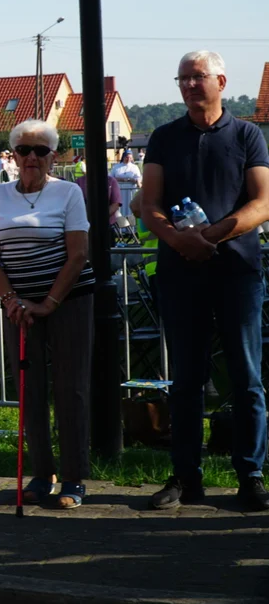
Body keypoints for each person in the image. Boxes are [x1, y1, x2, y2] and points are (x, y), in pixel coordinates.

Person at [141, 51, 269, 512]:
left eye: (198, 78)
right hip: (180, 272)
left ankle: (250, 474)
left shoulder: (247, 134)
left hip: (236, 270)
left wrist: (210, 235)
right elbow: (148, 203)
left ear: (221, 80)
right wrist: (179, 240)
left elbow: (262, 203)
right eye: (183, 79)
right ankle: (185, 476)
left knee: (247, 376)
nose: (190, 86)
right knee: (186, 379)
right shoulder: (163, 137)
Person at [0, 119, 95, 510]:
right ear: (12, 155)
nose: (31, 158)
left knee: (70, 388)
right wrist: (10, 299)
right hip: (19, 305)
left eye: (40, 151)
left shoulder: (68, 193)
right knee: (30, 389)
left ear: (53, 156)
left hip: (69, 300)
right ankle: (41, 473)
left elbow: (78, 252)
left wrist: (50, 302)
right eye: (24, 150)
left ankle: (74, 476)